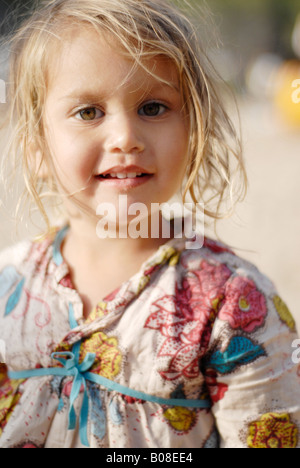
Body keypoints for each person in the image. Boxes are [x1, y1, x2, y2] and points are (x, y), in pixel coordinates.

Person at [0, 0, 299, 449]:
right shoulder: (9, 285)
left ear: (193, 127)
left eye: (154, 108)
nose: (125, 137)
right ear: (36, 149)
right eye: (88, 112)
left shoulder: (234, 304)